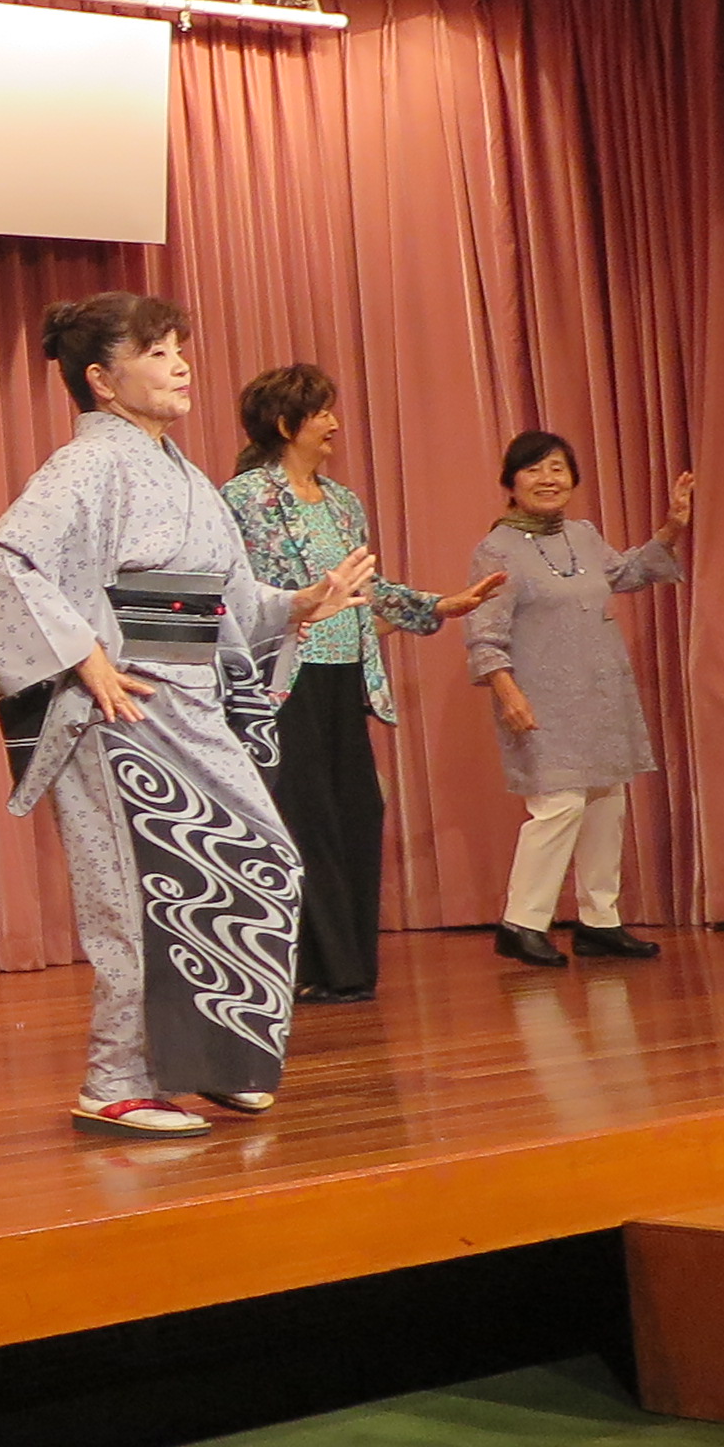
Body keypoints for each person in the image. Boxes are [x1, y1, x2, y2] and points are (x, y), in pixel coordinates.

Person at [0, 293, 371, 1138]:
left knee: (257, 859)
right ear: (101, 379)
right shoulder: (89, 465)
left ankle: (209, 1057)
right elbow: (3, 563)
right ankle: (115, 1081)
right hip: (119, 709)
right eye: (155, 352)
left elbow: (227, 606)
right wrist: (85, 658)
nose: (180, 364)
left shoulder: (183, 474)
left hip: (187, 700)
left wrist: (301, 603)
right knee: (135, 893)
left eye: (179, 348)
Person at [223, 367, 499, 1004]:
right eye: (321, 413)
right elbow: (238, 595)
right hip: (284, 682)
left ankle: (351, 965)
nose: (334, 425)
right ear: (286, 424)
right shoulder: (243, 498)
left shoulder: (343, 502)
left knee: (356, 812)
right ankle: (321, 968)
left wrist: (441, 605)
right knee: (305, 819)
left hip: (347, 677)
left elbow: (370, 592)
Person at [466, 431, 693, 967]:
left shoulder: (583, 535)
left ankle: (599, 921)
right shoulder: (497, 549)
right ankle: (521, 923)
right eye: (534, 470)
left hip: (601, 693)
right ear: (511, 484)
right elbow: (484, 633)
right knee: (559, 806)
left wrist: (672, 527)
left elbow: (627, 574)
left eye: (558, 469)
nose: (548, 479)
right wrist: (506, 691)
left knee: (606, 802)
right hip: (540, 699)